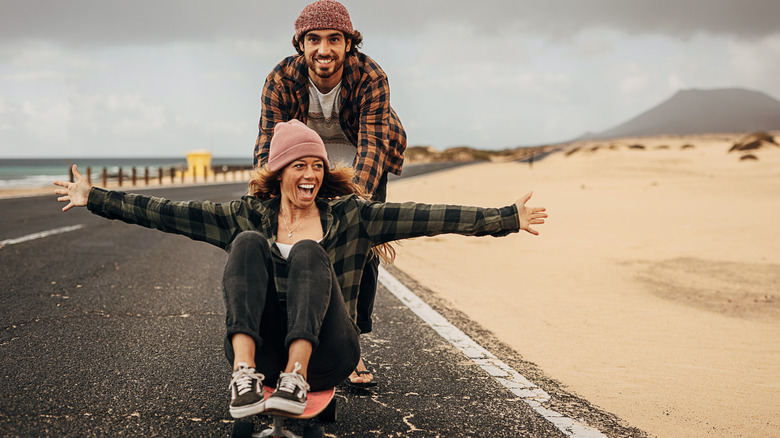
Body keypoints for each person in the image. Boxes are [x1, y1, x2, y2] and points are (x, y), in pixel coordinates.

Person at [54, 120, 547, 419]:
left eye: (317, 165)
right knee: (247, 243)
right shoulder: (248, 215)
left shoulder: (351, 216)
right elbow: (165, 212)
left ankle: (297, 376)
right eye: (299, 165)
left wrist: (506, 218)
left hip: (330, 352)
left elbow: (429, 216)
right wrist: (93, 197)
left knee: (311, 253)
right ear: (279, 173)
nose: (310, 173)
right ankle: (243, 374)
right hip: (264, 350)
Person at [253, 0, 407, 387]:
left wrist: (354, 208)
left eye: (334, 39)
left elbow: (373, 147)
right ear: (301, 44)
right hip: (306, 155)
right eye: (314, 40)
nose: (324, 49)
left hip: (359, 153)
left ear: (349, 43)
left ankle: (350, 346)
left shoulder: (370, 75)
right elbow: (269, 147)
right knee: (288, 238)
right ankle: (288, 336)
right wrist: (268, 201)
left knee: (360, 242)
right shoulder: (280, 79)